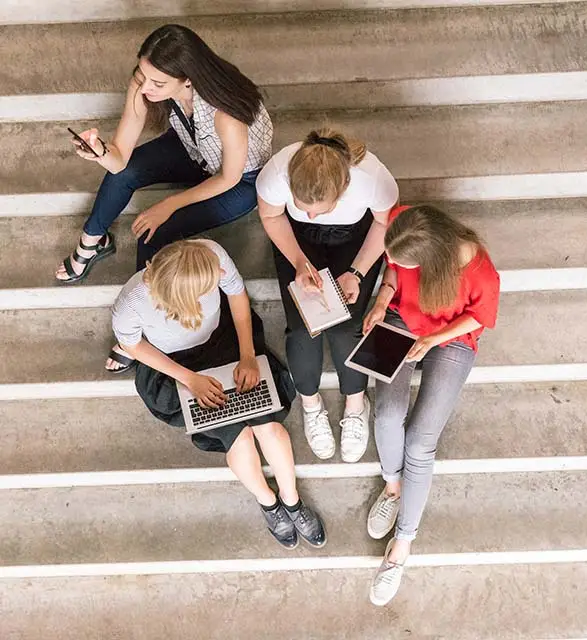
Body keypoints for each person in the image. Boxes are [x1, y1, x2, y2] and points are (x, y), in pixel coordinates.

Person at [56, 24, 273, 370]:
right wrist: (100, 152)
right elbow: (120, 157)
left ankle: (137, 329)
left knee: (157, 229)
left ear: (187, 80)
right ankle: (91, 241)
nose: (147, 88)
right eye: (143, 76)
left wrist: (168, 203)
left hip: (237, 180)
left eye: (158, 84)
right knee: (124, 174)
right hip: (193, 148)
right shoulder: (146, 84)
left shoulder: (225, 113)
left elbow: (228, 177)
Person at [111, 239, 326, 549]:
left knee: (271, 429)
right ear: (187, 298)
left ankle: (292, 502)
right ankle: (269, 503)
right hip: (178, 364)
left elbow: (236, 292)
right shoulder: (131, 304)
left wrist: (248, 355)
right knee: (239, 437)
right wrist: (188, 379)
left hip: (222, 343)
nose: (221, 274)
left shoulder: (210, 253)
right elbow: (134, 345)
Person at [363, 204, 500, 606]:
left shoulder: (478, 271)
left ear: (433, 260)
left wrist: (435, 340)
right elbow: (393, 266)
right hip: (402, 319)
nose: (390, 261)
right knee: (387, 413)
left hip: (452, 335)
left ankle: (402, 546)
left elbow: (479, 317)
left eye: (402, 260)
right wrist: (383, 297)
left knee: (420, 443)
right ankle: (393, 487)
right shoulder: (405, 221)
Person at [256, 128, 399, 463]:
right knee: (303, 326)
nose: (312, 213)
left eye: (320, 208)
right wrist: (299, 262)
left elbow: (384, 226)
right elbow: (271, 215)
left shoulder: (372, 179)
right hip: (297, 238)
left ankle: (355, 403)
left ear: (344, 188)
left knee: (347, 326)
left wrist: (358, 272)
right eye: (304, 206)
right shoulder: (275, 175)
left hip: (354, 238)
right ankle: (310, 403)